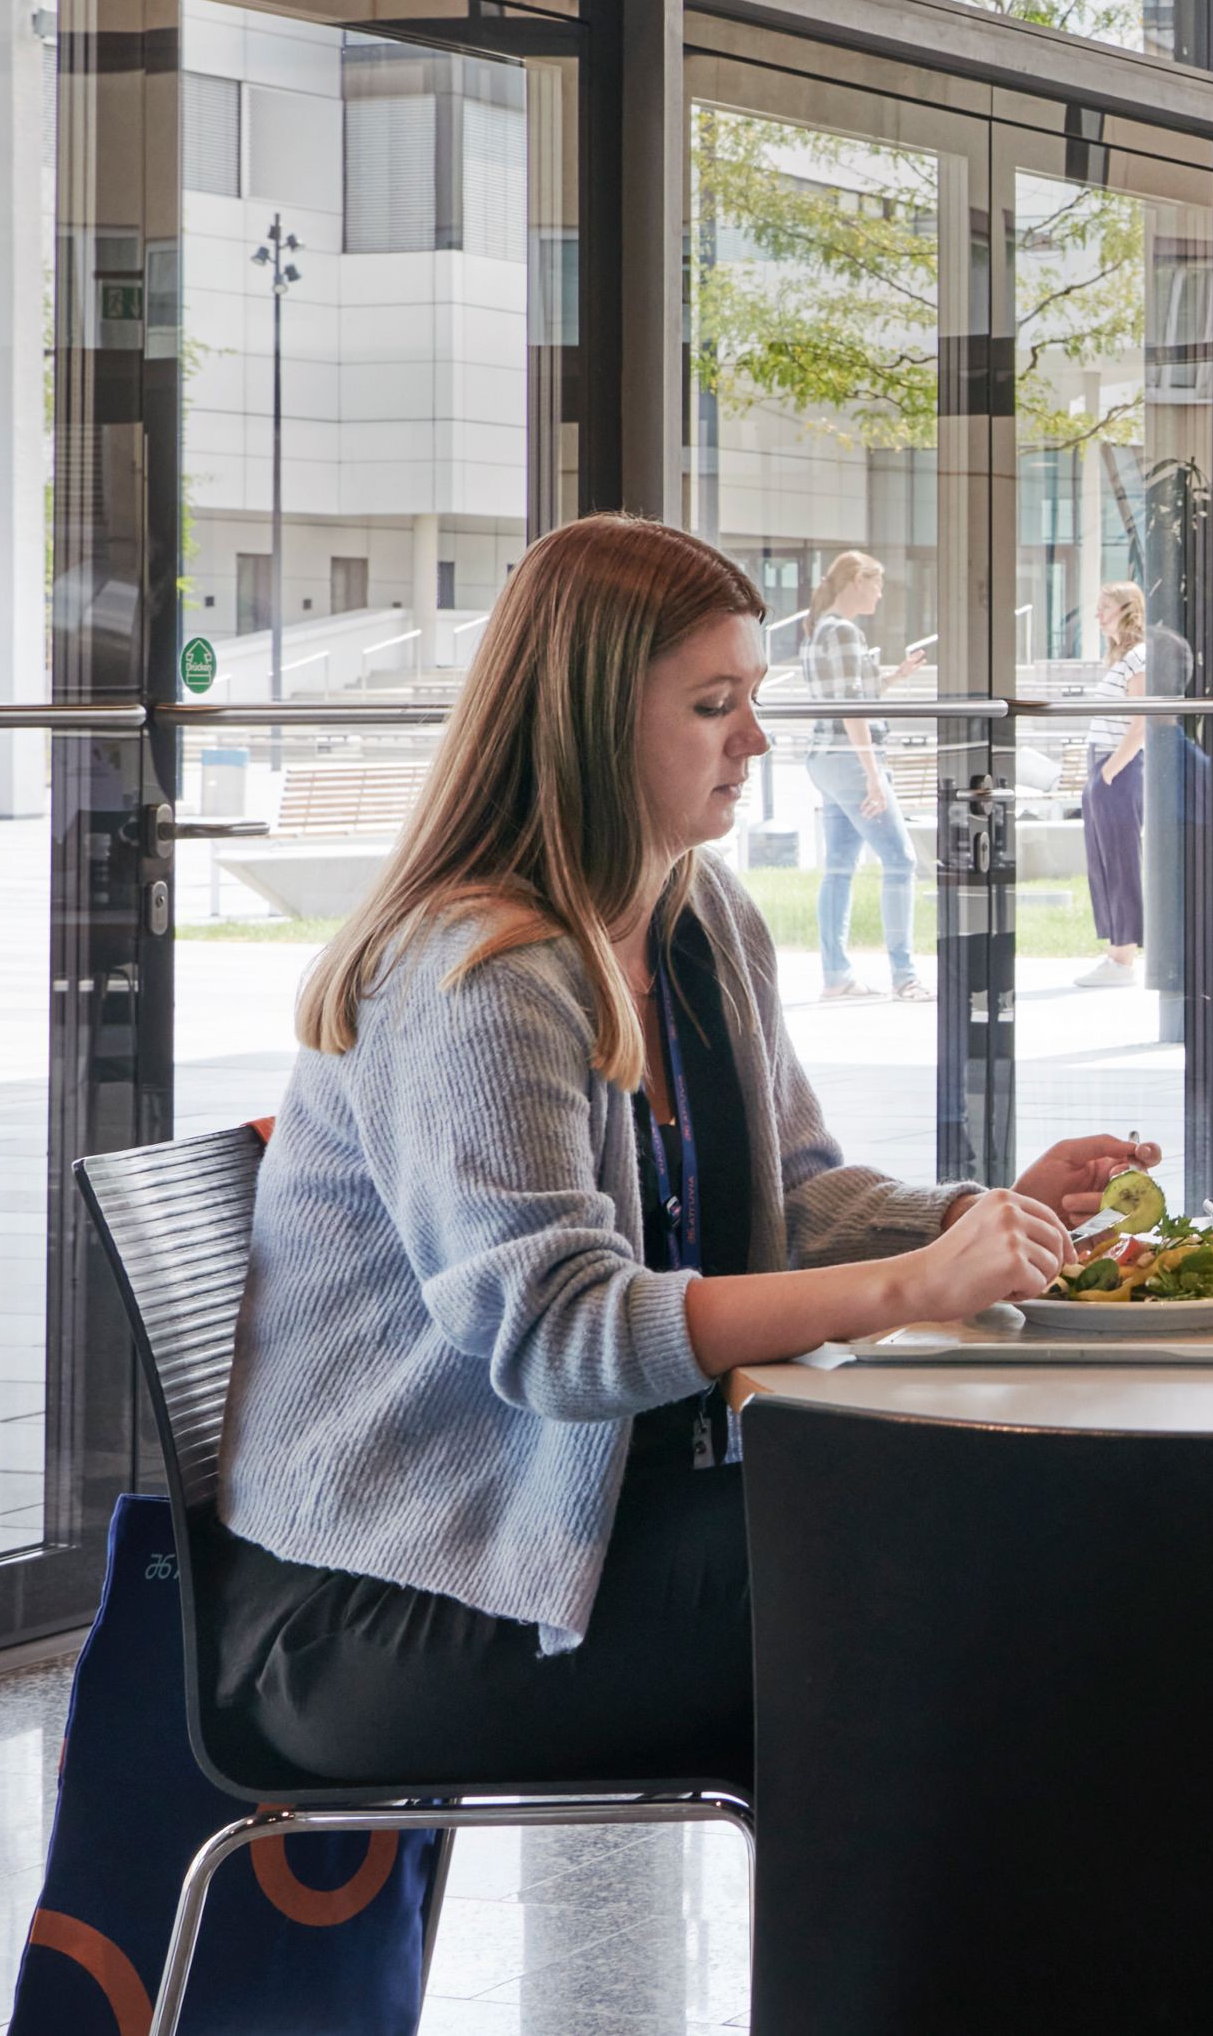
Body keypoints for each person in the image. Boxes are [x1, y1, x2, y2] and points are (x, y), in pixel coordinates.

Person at [211, 514, 1152, 1793]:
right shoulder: (474, 974)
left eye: (753, 698)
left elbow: (795, 1195)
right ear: (593, 720)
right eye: (715, 705)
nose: (756, 742)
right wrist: (909, 1288)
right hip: (393, 1599)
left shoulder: (697, 914)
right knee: (967, 1574)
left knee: (996, 1550)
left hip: (591, 1536)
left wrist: (971, 1218)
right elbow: (558, 1334)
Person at [799, 547, 926, 1004]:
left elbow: (851, 692)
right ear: (856, 581)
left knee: (839, 867)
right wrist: (873, 775)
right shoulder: (846, 633)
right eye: (876, 584)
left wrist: (894, 677)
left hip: (824, 759)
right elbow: (852, 708)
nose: (880, 593)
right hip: (849, 759)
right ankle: (905, 976)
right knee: (900, 861)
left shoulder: (820, 631)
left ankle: (837, 975)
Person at [1076, 580, 1150, 991]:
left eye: (1105, 606)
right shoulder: (1119, 659)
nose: (1098, 614)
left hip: (1118, 768)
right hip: (1104, 765)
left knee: (1120, 860)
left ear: (1127, 609)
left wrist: (1108, 773)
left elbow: (1140, 723)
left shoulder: (1138, 657)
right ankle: (1115, 950)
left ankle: (1124, 957)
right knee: (1101, 860)